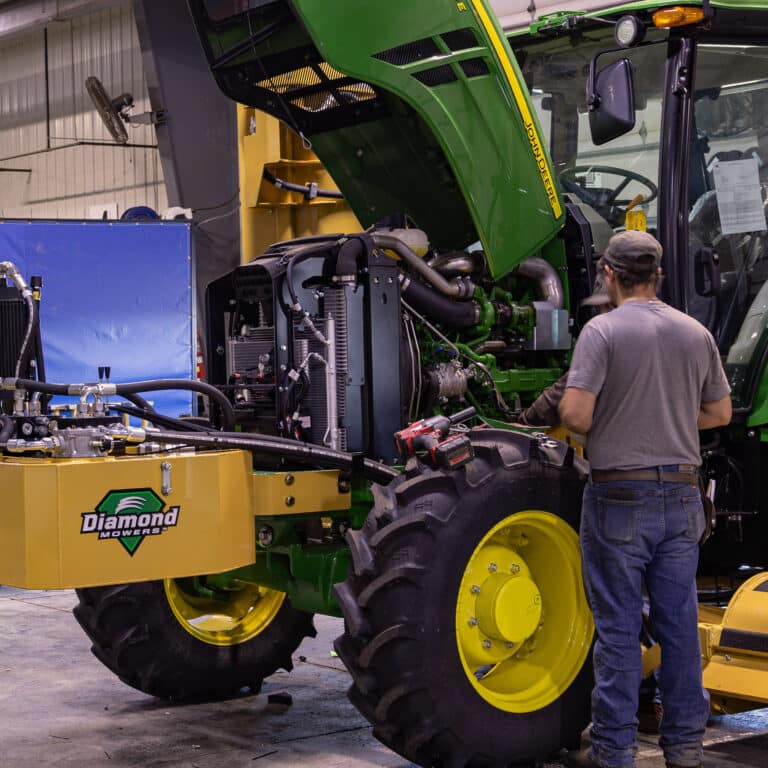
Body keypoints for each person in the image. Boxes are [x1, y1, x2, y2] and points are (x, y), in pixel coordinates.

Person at [558, 230, 732, 768]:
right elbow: (720, 414)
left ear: (609, 274)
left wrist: (614, 424)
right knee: (679, 625)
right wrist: (669, 421)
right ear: (657, 274)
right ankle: (684, 749)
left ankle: (614, 752)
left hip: (619, 497)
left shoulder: (601, 331)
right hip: (682, 498)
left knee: (616, 628)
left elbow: (575, 416)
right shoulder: (694, 331)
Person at [519, 276, 613, 427]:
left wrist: (526, 421)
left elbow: (567, 391)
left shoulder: (606, 336)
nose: (600, 315)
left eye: (603, 308)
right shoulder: (660, 324)